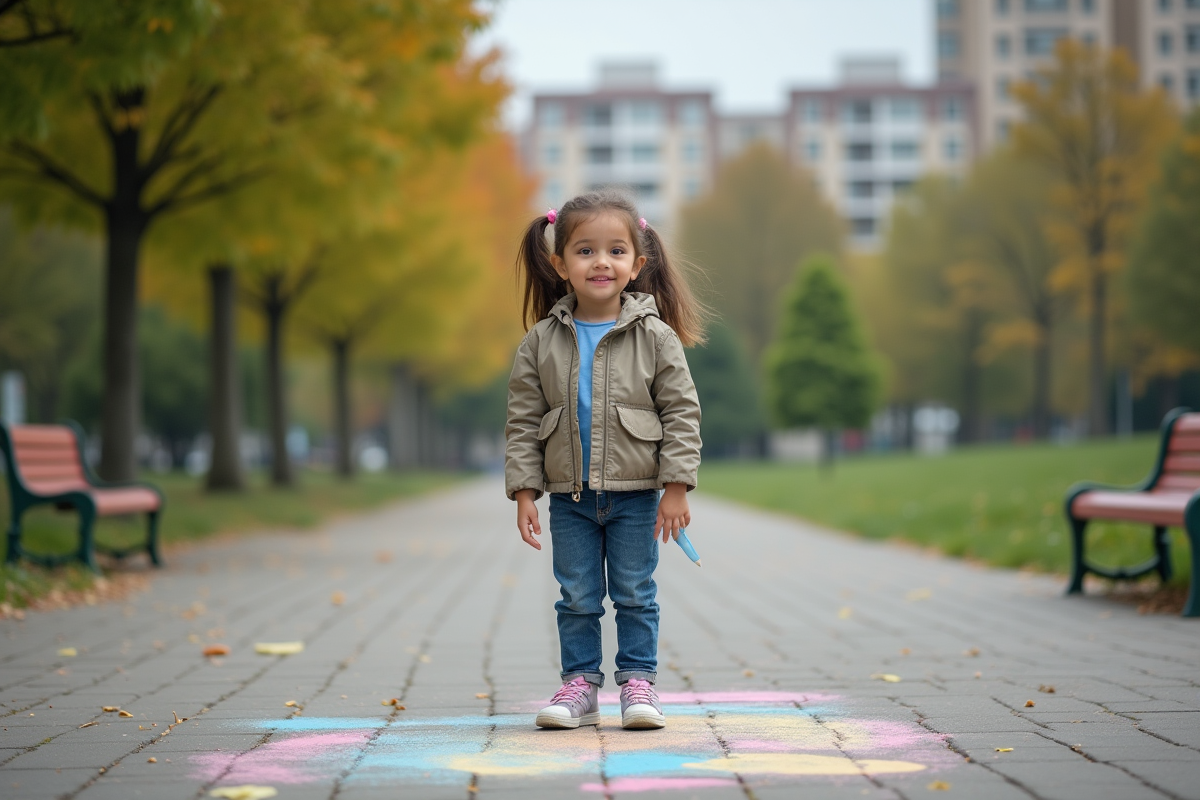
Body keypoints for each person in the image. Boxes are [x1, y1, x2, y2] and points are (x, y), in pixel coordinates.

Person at [505, 189, 705, 730]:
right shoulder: (540, 342)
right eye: (585, 251)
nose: (601, 262)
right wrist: (525, 491)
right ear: (559, 264)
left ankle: (639, 684)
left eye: (616, 251)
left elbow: (681, 412)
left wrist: (677, 486)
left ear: (638, 264)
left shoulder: (656, 337)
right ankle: (580, 685)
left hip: (637, 496)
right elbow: (524, 420)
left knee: (636, 593)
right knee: (576, 597)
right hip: (569, 500)